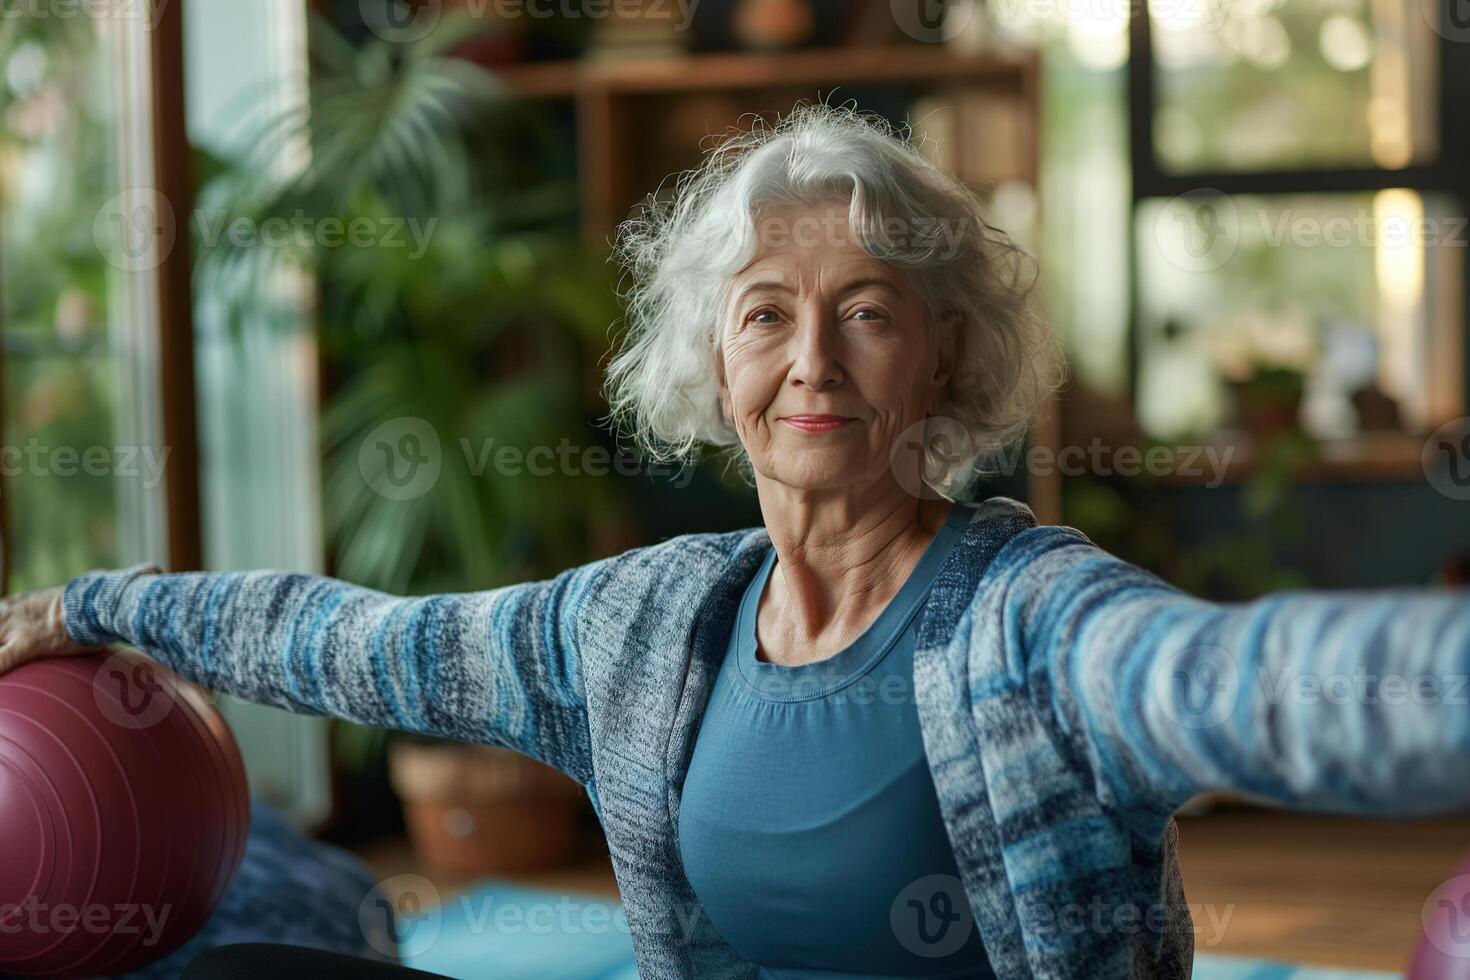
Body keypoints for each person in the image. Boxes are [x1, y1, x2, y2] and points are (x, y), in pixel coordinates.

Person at [4, 103, 1469, 980]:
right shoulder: (642, 628)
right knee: (262, 971)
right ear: (716, 360)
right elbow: (357, 641)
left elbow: (1253, 675)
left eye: (868, 312)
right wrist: (94, 601)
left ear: (944, 362)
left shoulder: (1032, 623)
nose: (812, 361)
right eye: (767, 311)